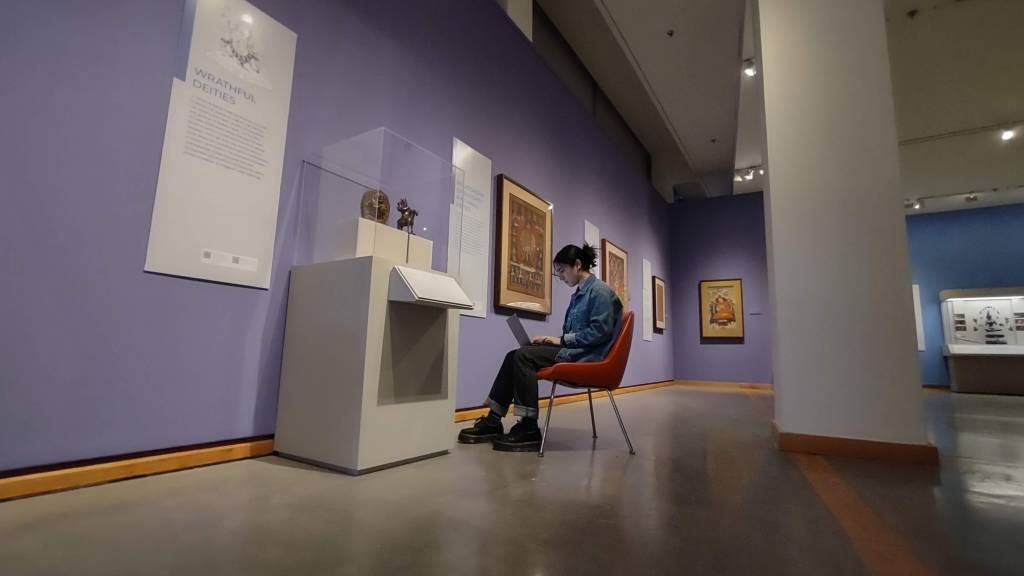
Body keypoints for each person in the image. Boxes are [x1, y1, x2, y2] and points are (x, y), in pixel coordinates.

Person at [458, 243, 623, 452]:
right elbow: (579, 335)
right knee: (514, 355)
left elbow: (600, 333)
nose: (561, 277)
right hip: (576, 351)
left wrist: (560, 340)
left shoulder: (599, 292)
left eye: (562, 271)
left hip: (588, 357)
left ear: (578, 265)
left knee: (523, 357)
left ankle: (528, 429)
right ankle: (493, 420)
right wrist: (552, 340)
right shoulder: (579, 295)